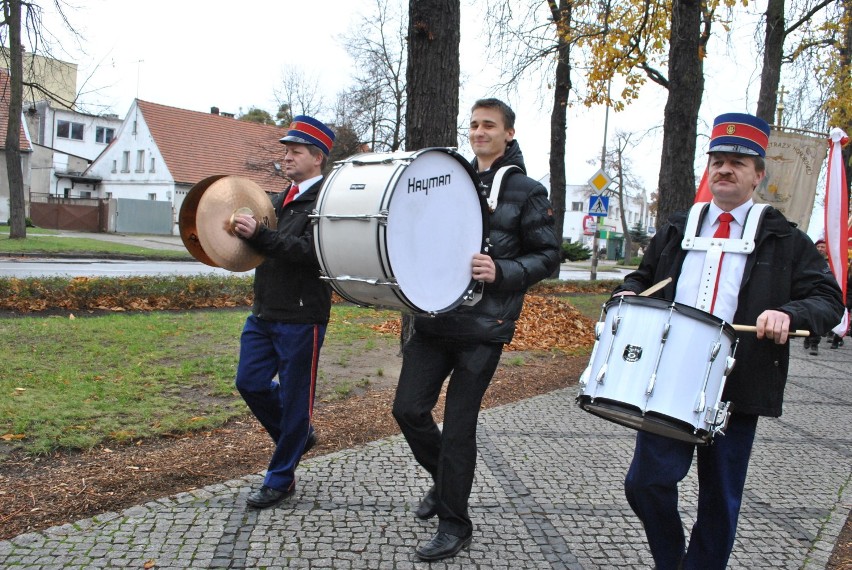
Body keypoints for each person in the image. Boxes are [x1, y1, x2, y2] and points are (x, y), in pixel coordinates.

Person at [613, 112, 845, 569]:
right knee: (645, 483)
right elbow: (642, 278)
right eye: (717, 159)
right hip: (669, 378)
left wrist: (789, 313)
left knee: (719, 498)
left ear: (758, 174)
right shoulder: (681, 227)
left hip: (737, 382)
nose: (725, 169)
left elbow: (829, 299)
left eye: (738, 162)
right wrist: (629, 292)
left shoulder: (783, 236)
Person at [391, 98, 561, 561]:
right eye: (474, 125)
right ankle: (446, 482)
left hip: (485, 326)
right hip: (434, 318)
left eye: (489, 125)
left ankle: (455, 523)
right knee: (407, 410)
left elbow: (549, 257)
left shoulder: (527, 190)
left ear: (509, 133)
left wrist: (502, 269)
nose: (479, 132)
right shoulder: (450, 179)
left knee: (460, 427)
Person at [230, 115, 335, 509]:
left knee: (295, 401)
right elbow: (264, 246)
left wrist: (260, 235)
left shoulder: (328, 202)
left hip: (302, 315)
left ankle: (280, 477)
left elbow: (313, 253)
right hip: (264, 311)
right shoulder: (277, 200)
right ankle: (298, 436)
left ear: (317, 158)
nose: (287, 157)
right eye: (286, 150)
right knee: (250, 382)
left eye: (296, 151)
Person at [804, 239, 829, 355]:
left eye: (822, 247)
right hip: (806, 291)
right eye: (818, 247)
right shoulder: (807, 259)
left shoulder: (830, 263)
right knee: (808, 316)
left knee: (818, 317)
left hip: (821, 293)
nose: (820, 249)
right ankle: (807, 336)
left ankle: (814, 343)